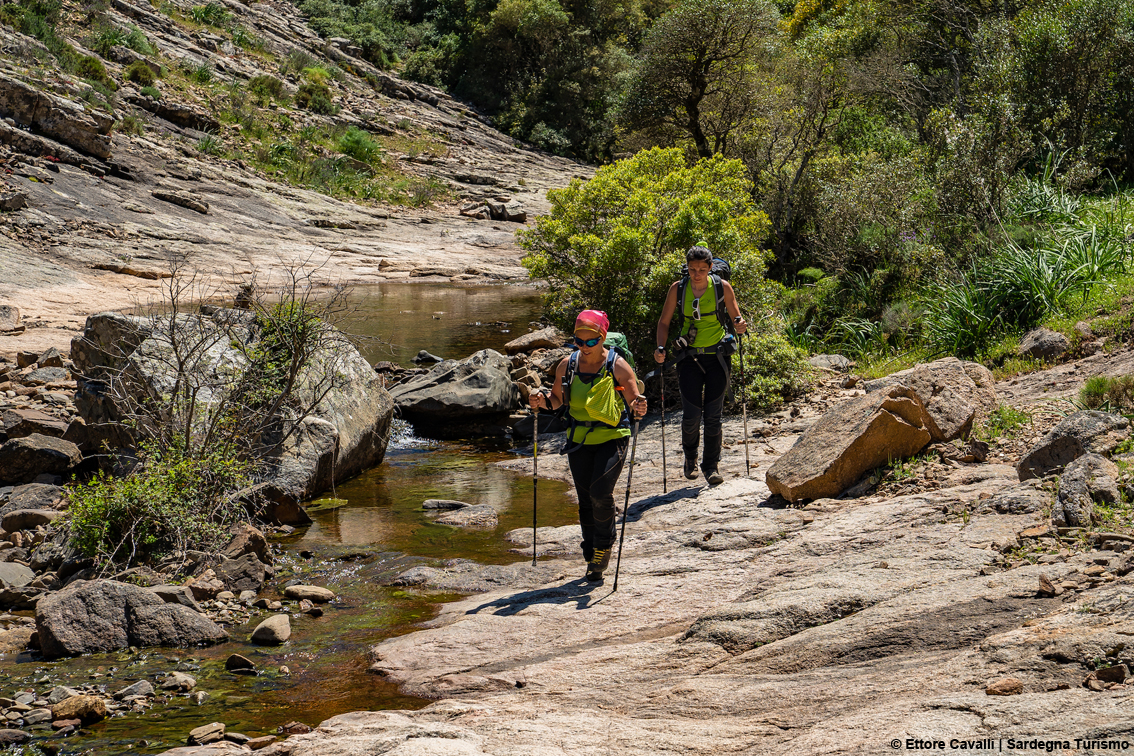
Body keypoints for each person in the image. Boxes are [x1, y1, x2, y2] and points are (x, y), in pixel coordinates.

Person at [529, 310, 647, 582]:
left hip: (612, 436)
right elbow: (557, 400)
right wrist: (541, 401)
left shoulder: (617, 366)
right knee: (584, 500)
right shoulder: (566, 365)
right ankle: (591, 550)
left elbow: (633, 399)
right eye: (578, 342)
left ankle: (604, 546)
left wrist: (638, 404)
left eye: (590, 342)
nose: (583, 347)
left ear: (602, 338)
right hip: (578, 439)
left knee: (599, 493)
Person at [653, 246, 747, 486]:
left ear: (710, 268)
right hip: (689, 359)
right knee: (692, 415)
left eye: (702, 269)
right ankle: (690, 459)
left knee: (713, 416)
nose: (696, 274)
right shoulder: (678, 288)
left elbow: (735, 314)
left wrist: (740, 324)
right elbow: (664, 322)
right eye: (693, 269)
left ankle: (711, 466)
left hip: (717, 357)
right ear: (687, 267)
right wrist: (661, 348)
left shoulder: (722, 287)